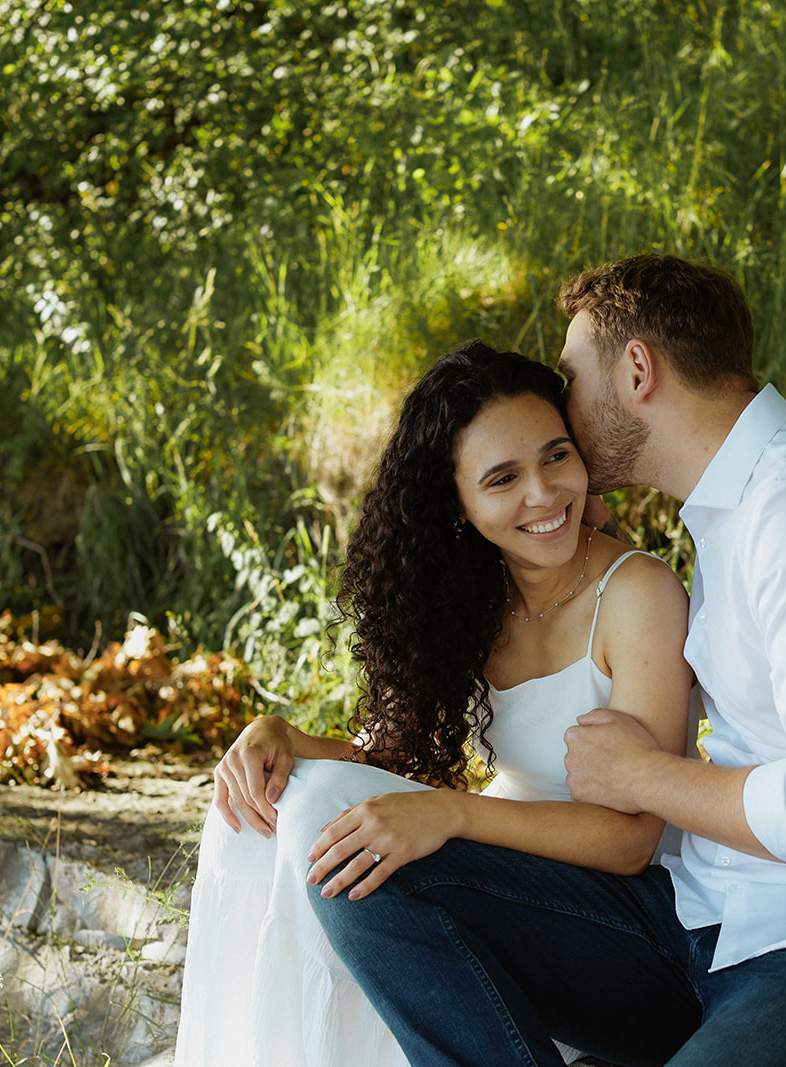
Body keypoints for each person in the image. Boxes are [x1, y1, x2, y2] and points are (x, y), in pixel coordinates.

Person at [305, 254, 786, 1066]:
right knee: (371, 873)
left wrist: (640, 775)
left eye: (572, 375)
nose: (562, 403)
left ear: (636, 370)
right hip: (703, 921)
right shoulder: (732, 506)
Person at [173, 340, 697, 1065]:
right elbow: (387, 765)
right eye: (503, 477)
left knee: (344, 846)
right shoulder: (473, 600)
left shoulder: (638, 594)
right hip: (511, 885)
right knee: (281, 802)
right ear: (455, 502)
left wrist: (455, 812)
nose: (543, 495)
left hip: (637, 928)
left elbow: (634, 838)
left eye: (556, 457)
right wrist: (280, 737)